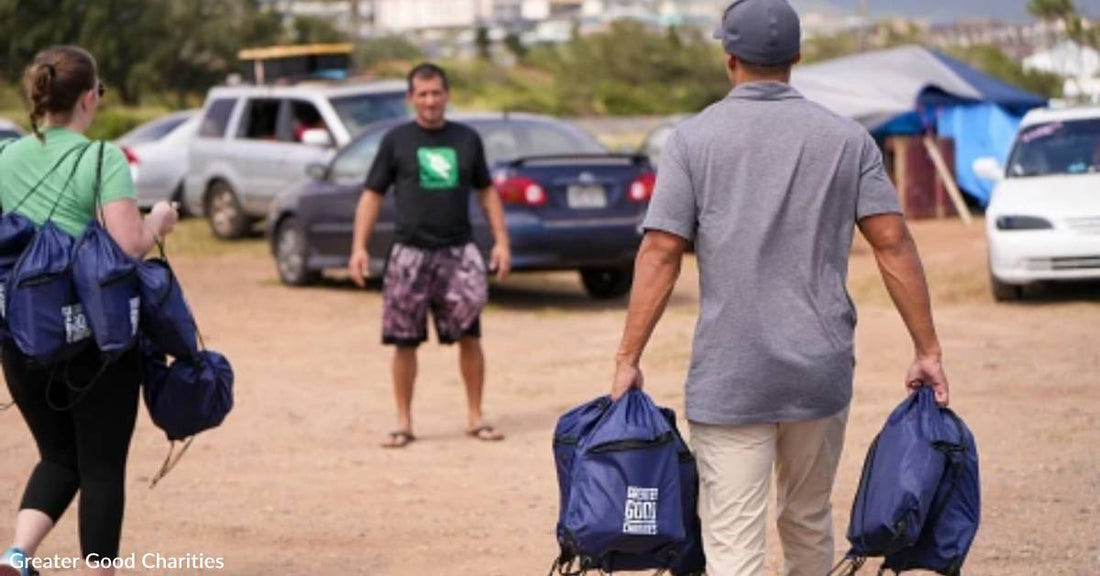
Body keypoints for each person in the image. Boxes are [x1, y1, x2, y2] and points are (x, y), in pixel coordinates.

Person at [608, 2, 951, 575]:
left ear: (729, 58)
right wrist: (928, 351)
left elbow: (662, 251)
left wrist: (627, 359)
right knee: (808, 518)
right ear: (796, 56)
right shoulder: (848, 140)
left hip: (731, 372)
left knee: (734, 539)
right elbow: (893, 243)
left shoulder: (693, 140)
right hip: (818, 368)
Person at [0, 46, 178, 576]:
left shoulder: (6, 157)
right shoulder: (103, 158)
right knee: (101, 465)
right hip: (91, 337)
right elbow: (127, 245)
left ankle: (16, 555)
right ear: (88, 97)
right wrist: (160, 222)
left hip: (20, 333)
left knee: (58, 454)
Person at [348, 63, 511, 449]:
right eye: (422, 94)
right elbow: (372, 195)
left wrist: (501, 242)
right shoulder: (396, 141)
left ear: (447, 94)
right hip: (409, 254)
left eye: (436, 93)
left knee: (470, 335)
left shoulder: (467, 139)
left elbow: (487, 192)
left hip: (459, 252)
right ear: (411, 99)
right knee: (404, 340)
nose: (430, 100)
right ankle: (403, 423)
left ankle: (475, 417)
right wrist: (358, 247)